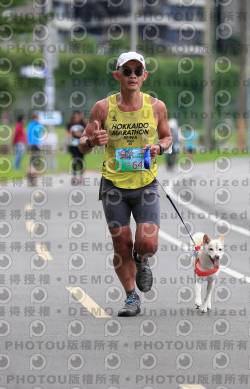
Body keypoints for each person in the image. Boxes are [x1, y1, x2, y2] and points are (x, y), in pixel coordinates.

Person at [79, 52, 172, 317]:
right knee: (121, 244)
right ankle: (131, 297)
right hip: (114, 186)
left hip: (146, 184)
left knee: (148, 243)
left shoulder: (156, 106)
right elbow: (82, 144)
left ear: (144, 76)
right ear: (117, 75)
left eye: (137, 71)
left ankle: (142, 260)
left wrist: (158, 147)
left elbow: (167, 138)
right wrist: (92, 142)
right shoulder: (103, 108)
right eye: (127, 71)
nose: (132, 76)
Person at [66, 110, 88, 185]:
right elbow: (67, 132)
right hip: (73, 145)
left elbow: (87, 133)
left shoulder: (84, 124)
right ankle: (74, 177)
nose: (76, 116)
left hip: (81, 145)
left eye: (78, 115)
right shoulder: (70, 124)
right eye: (75, 115)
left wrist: (79, 134)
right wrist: (69, 138)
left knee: (81, 160)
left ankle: (81, 177)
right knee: (74, 160)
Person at [26, 112, 45, 186]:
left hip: (32, 145)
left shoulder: (30, 124)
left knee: (32, 162)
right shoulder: (37, 125)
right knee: (35, 163)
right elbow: (40, 135)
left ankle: (32, 178)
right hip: (35, 145)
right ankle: (32, 178)